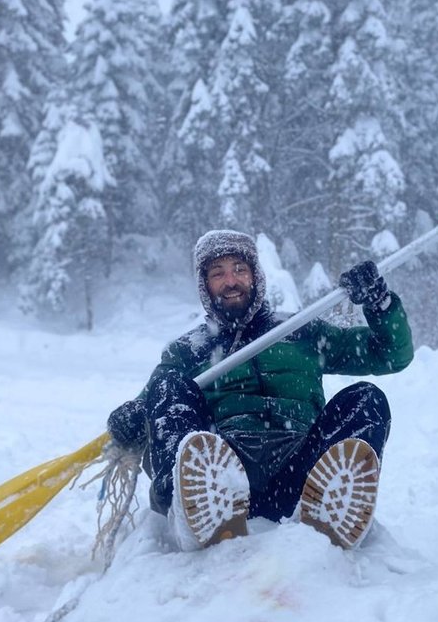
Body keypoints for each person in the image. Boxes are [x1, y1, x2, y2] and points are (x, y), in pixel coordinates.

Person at [107, 230, 414, 552]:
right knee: (169, 387)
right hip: (223, 479)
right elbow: (154, 402)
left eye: (240, 269)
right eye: (218, 273)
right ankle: (187, 506)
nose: (231, 281)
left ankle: (329, 512)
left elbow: (390, 355)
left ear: (255, 274)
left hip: (301, 473)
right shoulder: (188, 351)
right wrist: (127, 418)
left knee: (366, 398)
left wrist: (380, 304)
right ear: (204, 285)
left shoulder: (300, 331)